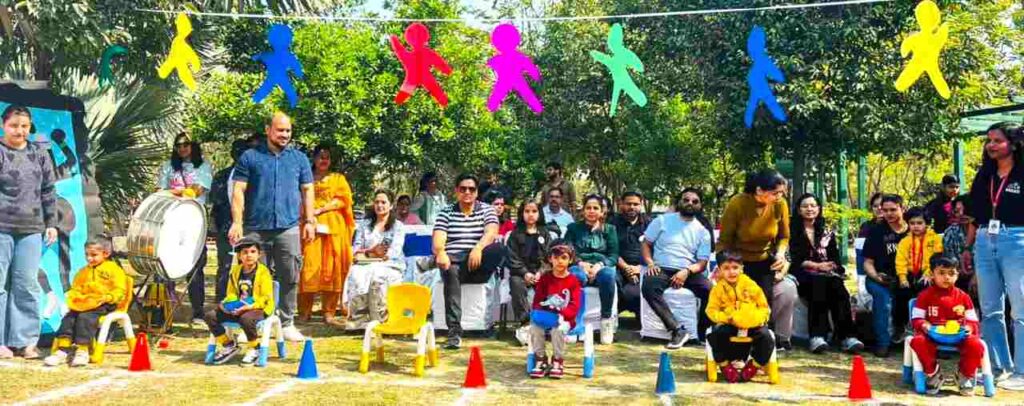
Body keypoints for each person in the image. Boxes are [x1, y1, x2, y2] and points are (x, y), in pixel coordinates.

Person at [228, 111, 314, 342]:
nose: (284, 135)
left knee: (290, 274)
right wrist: (237, 222)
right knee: (253, 277)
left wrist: (310, 221)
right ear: (268, 130)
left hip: (288, 227)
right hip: (256, 227)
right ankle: (253, 324)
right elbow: (238, 190)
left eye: (288, 130)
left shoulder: (299, 159)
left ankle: (286, 323)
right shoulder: (250, 157)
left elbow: (307, 190)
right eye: (280, 130)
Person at [964, 122, 1024, 388]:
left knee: (1020, 308)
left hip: (1017, 239)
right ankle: (997, 366)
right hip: (985, 240)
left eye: (997, 140)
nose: (991, 145)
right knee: (989, 309)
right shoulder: (985, 174)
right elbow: (975, 216)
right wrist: (968, 247)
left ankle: (1022, 372)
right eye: (989, 141)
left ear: (1013, 143)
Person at [0, 105, 58, 359]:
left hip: (32, 228)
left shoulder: (40, 153)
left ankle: (25, 342)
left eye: (24, 126)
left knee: (27, 284)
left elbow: (48, 190)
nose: (19, 131)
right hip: (1, 227)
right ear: (4, 125)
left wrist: (51, 223)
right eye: (14, 125)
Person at [717, 168, 797, 350]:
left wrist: (780, 253)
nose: (780, 196)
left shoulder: (780, 204)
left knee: (763, 301)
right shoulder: (737, 203)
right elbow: (724, 241)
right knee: (738, 302)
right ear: (759, 190)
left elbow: (784, 236)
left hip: (764, 260)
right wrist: (726, 267)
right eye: (775, 193)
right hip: (737, 261)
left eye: (782, 193)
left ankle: (763, 343)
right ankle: (734, 343)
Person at [432, 174, 506, 349]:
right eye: (463, 188)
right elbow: (438, 241)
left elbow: (491, 232)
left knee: (499, 248)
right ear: (456, 191)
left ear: (477, 192)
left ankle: (434, 261)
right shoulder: (446, 212)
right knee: (449, 266)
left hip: (478, 265)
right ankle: (454, 332)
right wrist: (441, 252)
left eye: (471, 189)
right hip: (454, 267)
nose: (467, 192)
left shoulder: (487, 210)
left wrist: (478, 248)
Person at [789, 193, 865, 354]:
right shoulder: (791, 230)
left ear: (819, 208)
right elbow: (795, 258)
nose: (809, 209)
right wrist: (817, 266)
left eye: (813, 205)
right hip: (802, 273)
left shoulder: (826, 231)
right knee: (818, 284)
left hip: (826, 273)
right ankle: (817, 336)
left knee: (838, 287)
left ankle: (847, 337)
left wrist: (833, 266)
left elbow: (834, 256)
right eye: (805, 206)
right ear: (798, 210)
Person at [641, 188, 714, 349]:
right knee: (648, 286)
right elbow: (646, 243)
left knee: (711, 291)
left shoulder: (703, 232)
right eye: (686, 200)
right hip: (661, 268)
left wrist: (686, 271)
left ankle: (701, 332)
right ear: (679, 202)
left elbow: (702, 262)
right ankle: (677, 330)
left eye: (695, 201)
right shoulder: (662, 221)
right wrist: (650, 263)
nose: (690, 203)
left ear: (700, 206)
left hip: (688, 270)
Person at [43, 237, 127, 367]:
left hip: (104, 303)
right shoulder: (83, 271)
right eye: (87, 255)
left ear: (106, 254)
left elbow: (120, 289)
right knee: (69, 318)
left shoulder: (114, 269)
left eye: (94, 255)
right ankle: (62, 350)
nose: (89, 258)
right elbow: (76, 288)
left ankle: (83, 350)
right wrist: (74, 299)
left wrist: (110, 297)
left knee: (85, 318)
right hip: (84, 303)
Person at [158, 131, 213, 323]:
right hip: (171, 219)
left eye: (186, 144)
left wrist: (176, 191)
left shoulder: (203, 166)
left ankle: (197, 311)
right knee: (164, 262)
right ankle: (163, 308)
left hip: (194, 220)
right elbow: (160, 191)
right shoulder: (167, 167)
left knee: (196, 266)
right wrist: (179, 192)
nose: (182, 148)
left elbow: (198, 189)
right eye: (178, 145)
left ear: (193, 146)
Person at [910, 255, 984, 396]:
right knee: (917, 341)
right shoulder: (924, 296)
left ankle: (964, 374)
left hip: (959, 335)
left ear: (957, 275)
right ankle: (934, 372)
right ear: (932, 274)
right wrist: (924, 324)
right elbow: (916, 319)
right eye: (941, 273)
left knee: (976, 344)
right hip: (932, 334)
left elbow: (973, 321)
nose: (946, 277)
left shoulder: (964, 297)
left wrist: (969, 328)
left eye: (951, 273)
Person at [298, 146, 355, 325]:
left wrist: (321, 209)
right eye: (321, 157)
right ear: (313, 159)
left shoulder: (338, 178)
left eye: (327, 157)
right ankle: (304, 311)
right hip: (310, 226)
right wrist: (309, 214)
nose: (324, 160)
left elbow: (343, 200)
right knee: (308, 265)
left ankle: (329, 312)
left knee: (333, 267)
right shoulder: (305, 178)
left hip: (334, 228)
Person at [705, 250, 775, 384]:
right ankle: (724, 364)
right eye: (726, 268)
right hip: (729, 324)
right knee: (717, 334)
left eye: (735, 268)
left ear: (742, 268)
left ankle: (754, 364)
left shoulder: (751, 285)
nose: (731, 272)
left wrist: (759, 319)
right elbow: (711, 310)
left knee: (766, 336)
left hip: (751, 323)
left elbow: (764, 307)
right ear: (719, 270)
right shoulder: (717, 289)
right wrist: (726, 317)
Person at [204, 239, 275, 366]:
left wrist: (249, 307)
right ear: (239, 256)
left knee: (246, 319)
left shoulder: (264, 272)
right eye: (245, 252)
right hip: (240, 306)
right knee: (210, 316)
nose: (249, 255)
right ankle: (229, 345)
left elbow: (266, 297)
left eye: (253, 252)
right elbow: (231, 293)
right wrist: (228, 305)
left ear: (259, 255)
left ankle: (255, 348)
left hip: (258, 307)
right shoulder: (235, 271)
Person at [345, 190, 405, 328]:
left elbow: (394, 250)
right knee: (356, 274)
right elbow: (356, 248)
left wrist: (380, 256)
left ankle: (380, 320)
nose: (379, 205)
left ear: (391, 206)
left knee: (377, 274)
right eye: (377, 202)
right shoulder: (364, 225)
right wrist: (371, 252)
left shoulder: (398, 226)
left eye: (383, 202)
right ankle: (358, 321)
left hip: (390, 264)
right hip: (364, 263)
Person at [565, 194, 619, 344]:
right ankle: (574, 324)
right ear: (583, 210)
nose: (591, 211)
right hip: (579, 265)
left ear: (602, 211)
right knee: (576, 276)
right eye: (588, 208)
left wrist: (599, 266)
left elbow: (614, 255)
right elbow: (567, 251)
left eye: (596, 208)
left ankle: (606, 321)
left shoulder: (610, 229)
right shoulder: (573, 228)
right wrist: (581, 263)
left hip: (601, 267)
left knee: (608, 275)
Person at [210, 137, 257, 302]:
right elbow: (215, 202)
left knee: (247, 265)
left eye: (242, 152)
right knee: (225, 266)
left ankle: (246, 301)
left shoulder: (254, 176)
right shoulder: (222, 176)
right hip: (225, 228)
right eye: (236, 152)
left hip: (250, 227)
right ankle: (221, 301)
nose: (239, 155)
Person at [863, 194, 910, 358]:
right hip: (879, 279)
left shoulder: (913, 229)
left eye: (893, 210)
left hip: (906, 278)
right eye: (885, 210)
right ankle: (883, 343)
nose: (889, 214)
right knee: (882, 300)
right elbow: (867, 263)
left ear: (902, 209)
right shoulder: (876, 232)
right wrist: (876, 277)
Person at [528, 242, 582, 380]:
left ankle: (558, 360)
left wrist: (562, 316)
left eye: (564, 258)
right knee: (535, 327)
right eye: (556, 258)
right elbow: (537, 302)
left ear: (570, 260)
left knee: (558, 329)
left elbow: (574, 306)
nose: (559, 261)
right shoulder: (545, 279)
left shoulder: (573, 281)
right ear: (550, 259)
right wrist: (539, 314)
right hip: (546, 317)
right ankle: (541, 359)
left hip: (565, 319)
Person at [507, 200, 554, 346]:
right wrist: (524, 273)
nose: (530, 215)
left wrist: (540, 273)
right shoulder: (515, 234)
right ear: (522, 214)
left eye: (534, 211)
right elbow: (511, 257)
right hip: (521, 273)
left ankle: (547, 325)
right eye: (527, 211)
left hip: (542, 273)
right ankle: (525, 323)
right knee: (515, 283)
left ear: (539, 214)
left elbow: (550, 257)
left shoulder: (545, 233)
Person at [611, 191, 650, 315]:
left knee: (634, 294)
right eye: (628, 204)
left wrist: (640, 268)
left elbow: (656, 249)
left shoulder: (650, 224)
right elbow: (610, 250)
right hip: (618, 266)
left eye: (635, 204)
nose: (632, 207)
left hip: (642, 268)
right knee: (611, 282)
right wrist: (627, 268)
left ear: (641, 205)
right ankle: (610, 319)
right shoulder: (612, 223)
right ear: (621, 204)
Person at [895, 207, 943, 290]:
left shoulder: (935, 239)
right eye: (912, 223)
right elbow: (900, 261)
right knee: (902, 290)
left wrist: (928, 274)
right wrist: (902, 278)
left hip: (930, 274)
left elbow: (937, 258)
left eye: (919, 223)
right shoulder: (905, 241)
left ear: (927, 223)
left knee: (926, 286)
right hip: (909, 275)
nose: (916, 226)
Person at [942, 196, 974, 293]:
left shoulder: (985, 231)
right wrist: (959, 269)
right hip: (957, 275)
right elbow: (948, 256)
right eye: (957, 211)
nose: (961, 214)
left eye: (965, 210)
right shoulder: (951, 231)